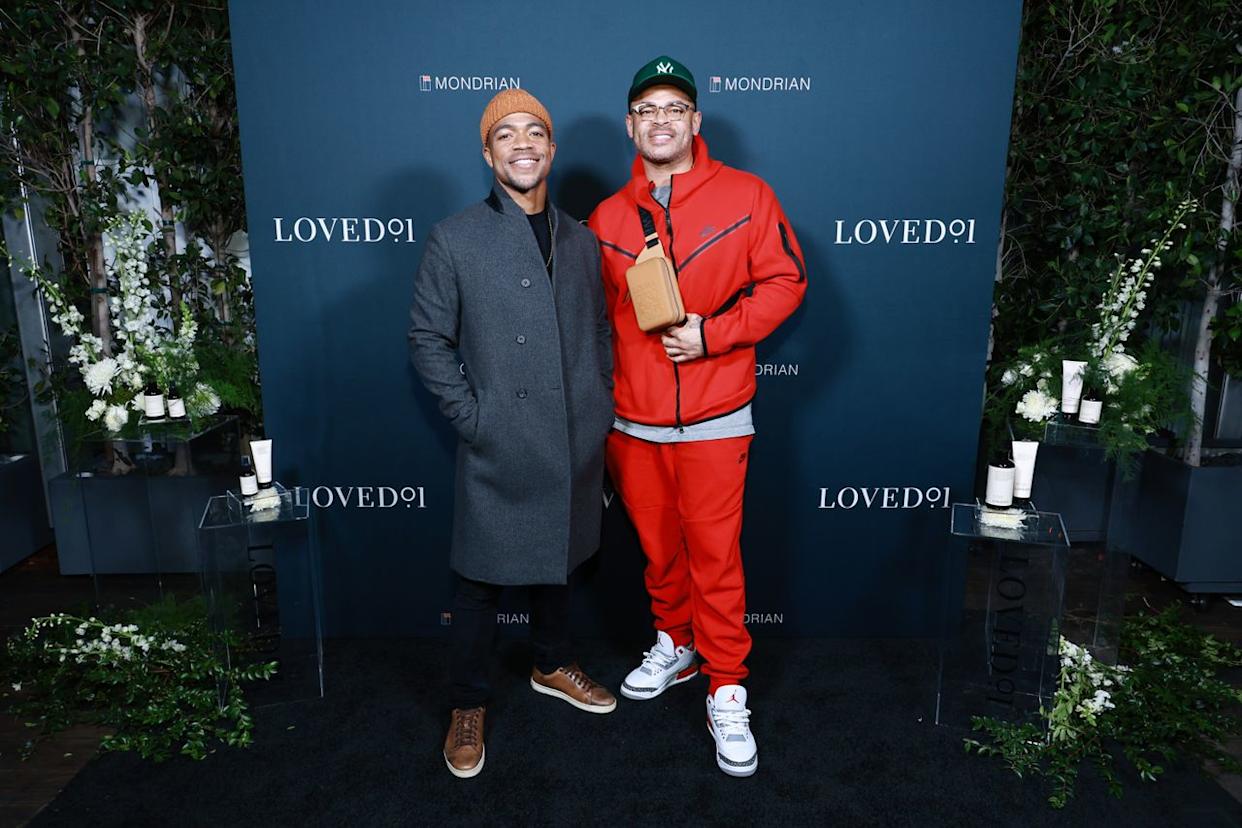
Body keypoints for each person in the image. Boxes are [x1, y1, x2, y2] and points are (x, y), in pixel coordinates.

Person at [588, 56, 807, 778]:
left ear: (695, 122)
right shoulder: (609, 217)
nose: (660, 120)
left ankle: (727, 686)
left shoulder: (747, 196)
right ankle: (674, 644)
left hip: (716, 415)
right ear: (631, 125)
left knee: (717, 561)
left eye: (673, 108)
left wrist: (714, 333)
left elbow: (786, 280)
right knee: (659, 553)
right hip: (632, 422)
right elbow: (595, 321)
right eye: (647, 109)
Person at [409, 88, 617, 780]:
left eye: (535, 133)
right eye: (506, 135)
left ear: (552, 149)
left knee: (558, 561)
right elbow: (428, 342)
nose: (522, 144)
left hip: (575, 441)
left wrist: (599, 412)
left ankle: (552, 663)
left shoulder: (583, 241)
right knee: (478, 583)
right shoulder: (456, 237)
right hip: (501, 441)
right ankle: (467, 704)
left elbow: (599, 336)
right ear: (487, 152)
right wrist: (477, 420)